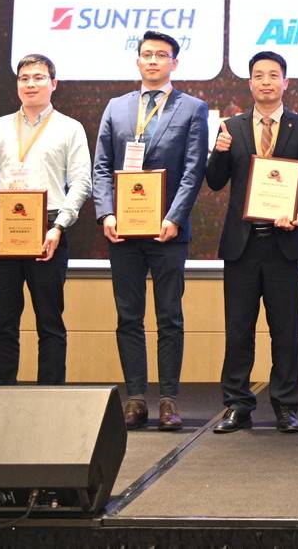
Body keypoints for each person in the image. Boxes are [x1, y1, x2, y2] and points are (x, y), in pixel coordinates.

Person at [91, 30, 209, 431]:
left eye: (161, 55)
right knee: (128, 316)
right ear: (138, 60)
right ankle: (136, 399)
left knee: (169, 316)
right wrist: (106, 213)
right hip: (123, 231)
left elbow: (193, 170)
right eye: (147, 54)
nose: (153, 60)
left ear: (174, 62)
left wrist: (174, 217)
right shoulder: (117, 107)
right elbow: (102, 167)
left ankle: (169, 401)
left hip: (167, 232)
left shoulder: (193, 108)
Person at [205, 50, 298, 433]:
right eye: (259, 75)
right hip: (242, 245)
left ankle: (286, 405)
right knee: (238, 329)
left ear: (286, 82)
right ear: (250, 83)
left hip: (284, 243)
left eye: (274, 75)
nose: (266, 82)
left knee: (285, 329)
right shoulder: (231, 127)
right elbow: (215, 181)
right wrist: (217, 153)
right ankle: (237, 404)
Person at [0, 53, 91, 386]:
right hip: (2, 230)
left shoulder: (70, 128)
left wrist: (59, 226)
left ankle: (49, 396)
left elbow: (81, 182)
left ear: (54, 83)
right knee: (3, 323)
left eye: (38, 78)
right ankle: (1, 395)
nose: (30, 84)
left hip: (48, 228)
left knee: (50, 322)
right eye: (24, 78)